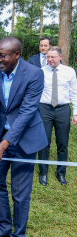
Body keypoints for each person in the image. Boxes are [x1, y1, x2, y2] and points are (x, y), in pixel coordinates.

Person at [0, 37, 48, 237]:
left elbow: (26, 113)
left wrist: (3, 145)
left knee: (20, 191)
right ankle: (4, 227)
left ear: (16, 54)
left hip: (25, 138)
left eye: (3, 56)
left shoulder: (34, 74)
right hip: (0, 134)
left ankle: (19, 233)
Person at [37, 46, 77, 186]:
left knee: (62, 143)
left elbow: (74, 93)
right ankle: (43, 173)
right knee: (44, 142)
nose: (50, 59)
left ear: (60, 57)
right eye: (48, 57)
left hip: (63, 110)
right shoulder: (41, 72)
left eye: (53, 57)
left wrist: (75, 112)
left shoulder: (69, 72)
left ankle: (61, 173)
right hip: (45, 109)